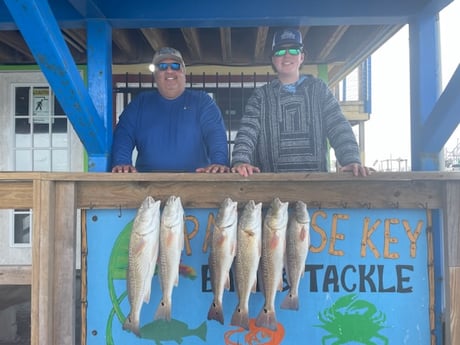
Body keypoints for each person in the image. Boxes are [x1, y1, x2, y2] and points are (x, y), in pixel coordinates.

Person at [231, 28, 370, 177]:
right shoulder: (260, 96)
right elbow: (247, 131)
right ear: (272, 59)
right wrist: (240, 160)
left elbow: (338, 126)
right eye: (279, 51)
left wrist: (351, 159)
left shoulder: (319, 89)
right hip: (270, 187)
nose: (286, 55)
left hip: (315, 186)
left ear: (302, 57)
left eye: (294, 50)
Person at [111, 47, 229, 173]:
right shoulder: (140, 103)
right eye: (162, 66)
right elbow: (123, 134)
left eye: (175, 65)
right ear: (155, 74)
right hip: (147, 185)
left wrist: (218, 162)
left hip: (196, 183)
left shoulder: (202, 101)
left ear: (183, 71)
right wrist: (122, 162)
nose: (169, 71)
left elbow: (215, 134)